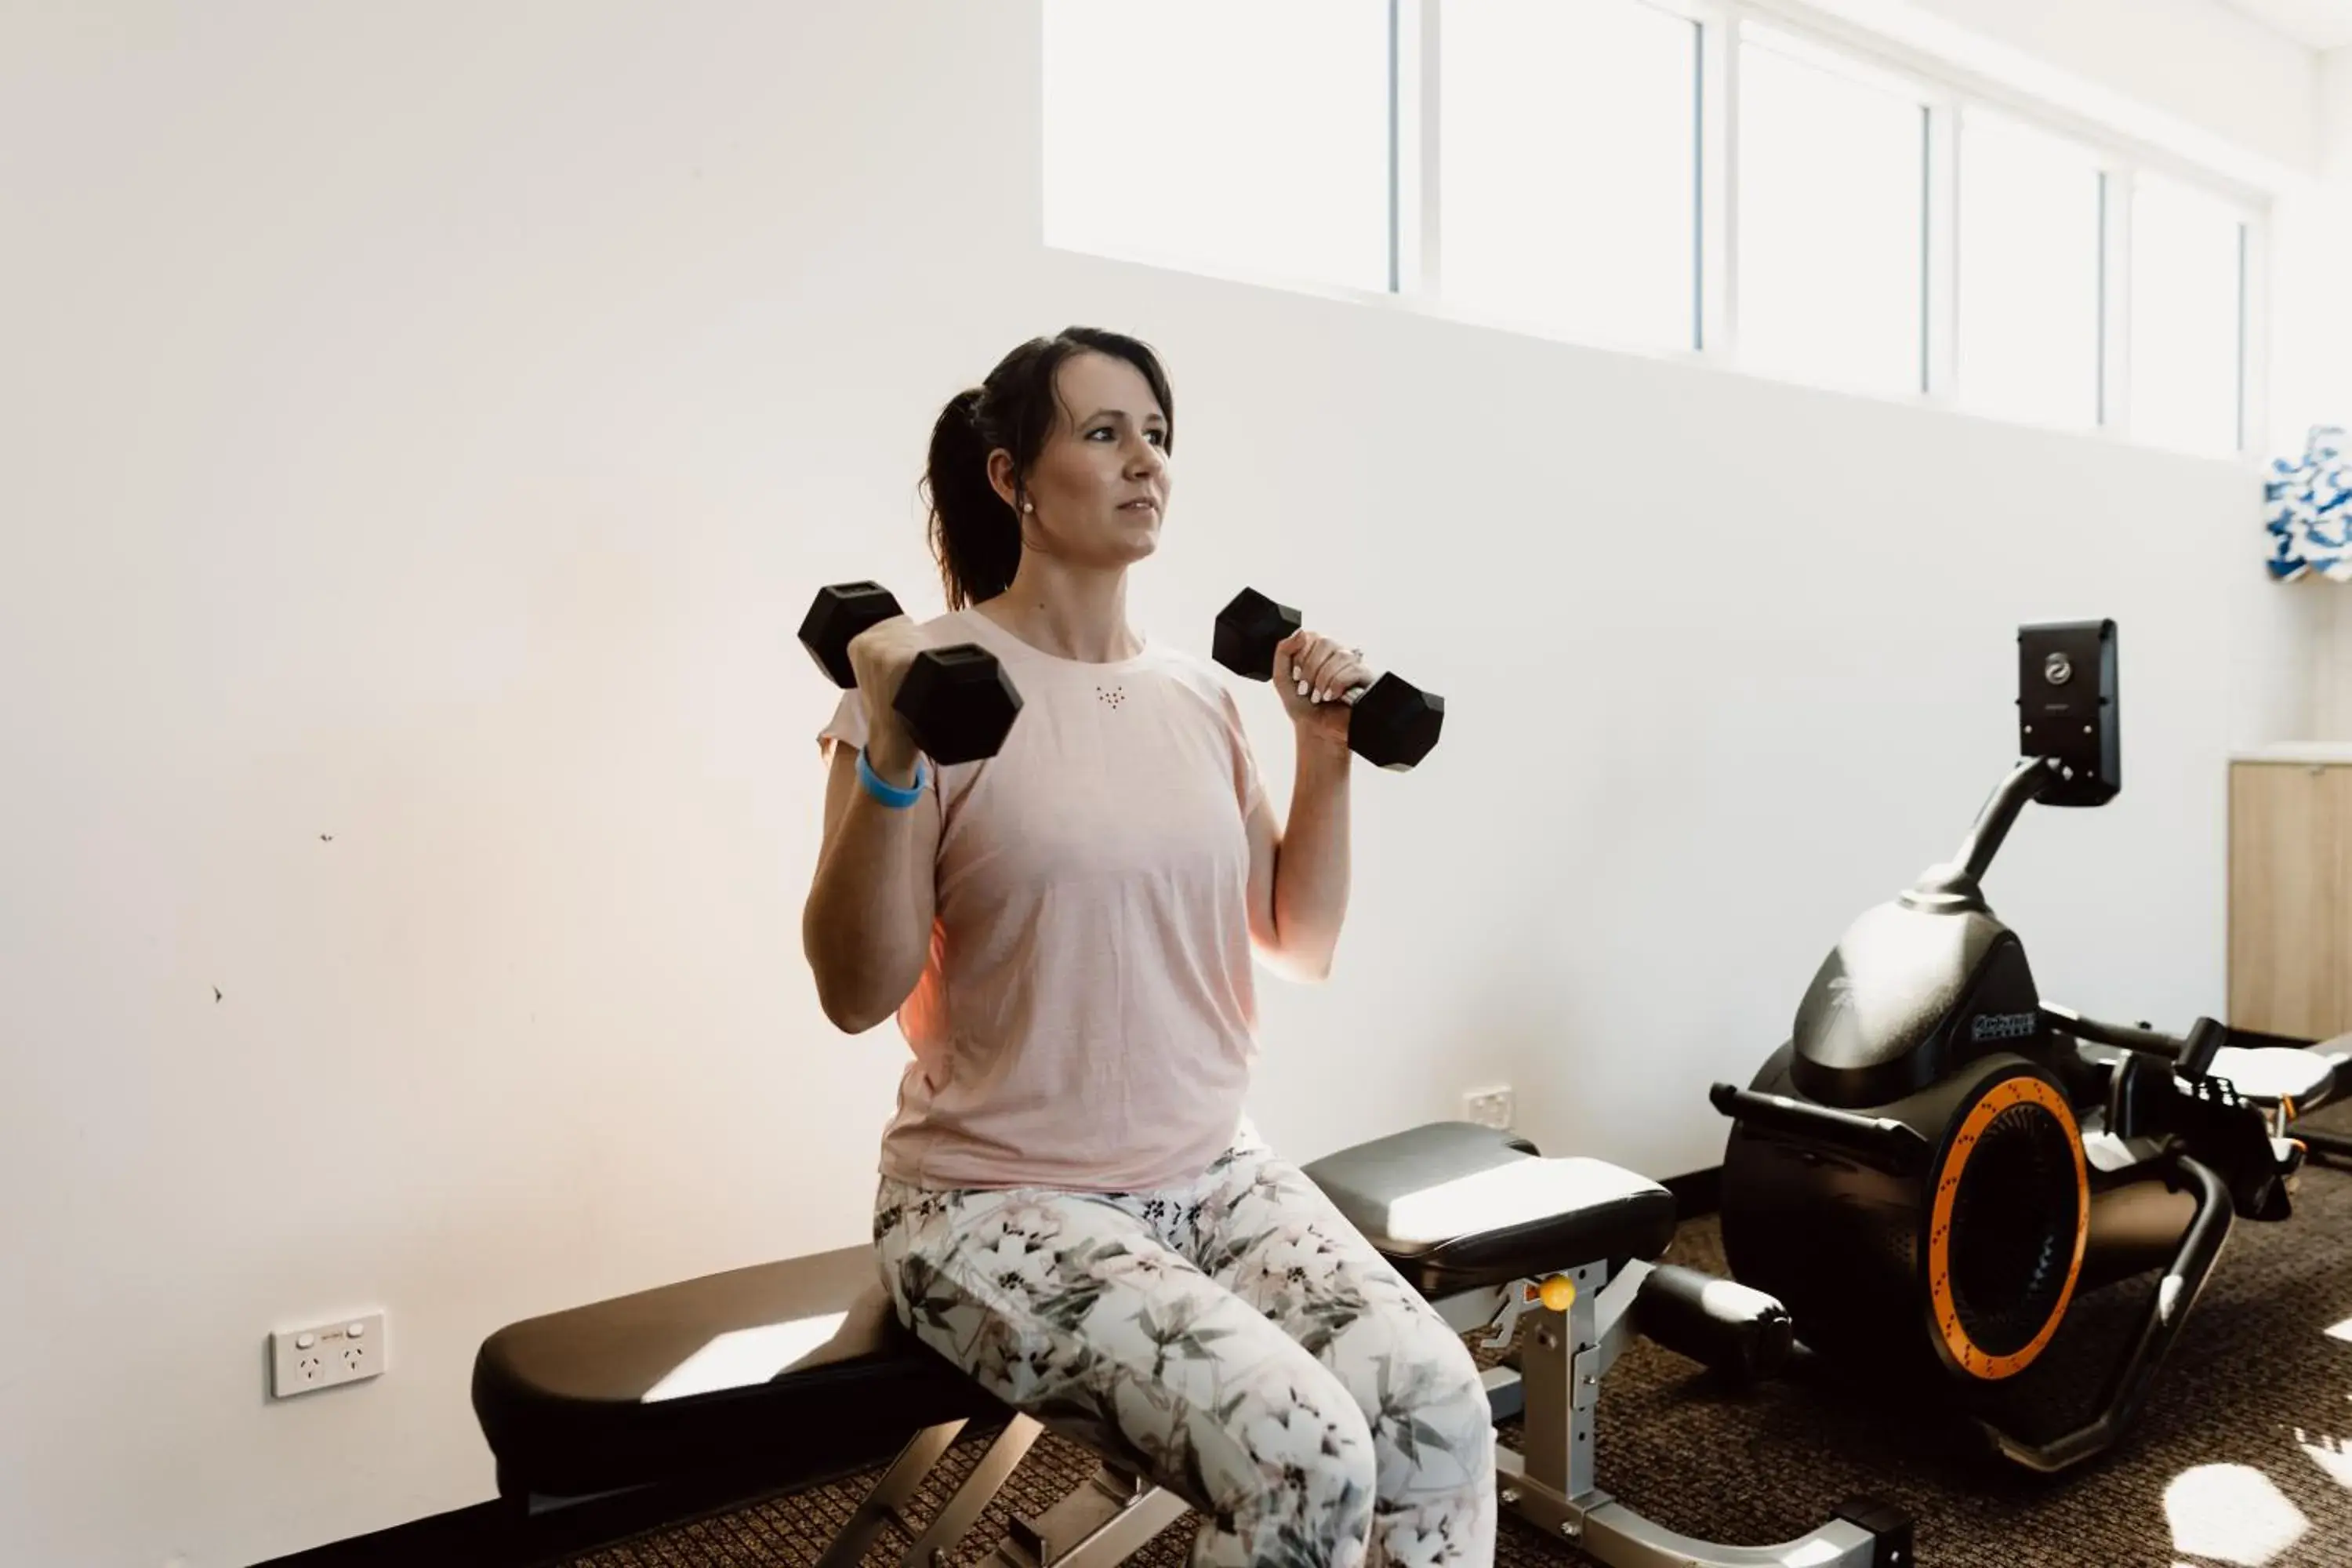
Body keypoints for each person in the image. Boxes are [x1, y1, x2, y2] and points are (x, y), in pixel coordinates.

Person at [801, 327, 1496, 1567]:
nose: (1145, 463)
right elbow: (857, 993)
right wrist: (895, 763)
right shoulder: (910, 691)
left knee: (1434, 1408)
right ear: (1012, 477)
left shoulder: (1198, 698)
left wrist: (1321, 747)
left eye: (1159, 436)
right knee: (1303, 1454)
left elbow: (1297, 939)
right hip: (993, 1203)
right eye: (1104, 433)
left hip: (1210, 1173)